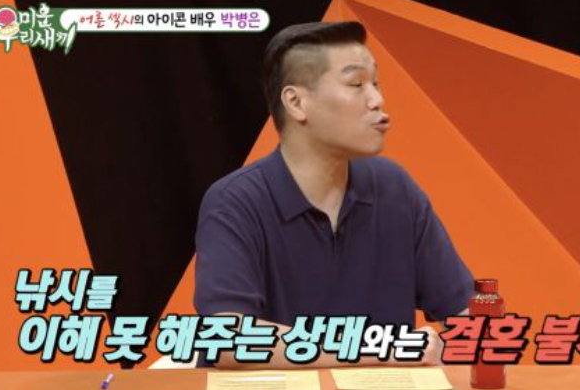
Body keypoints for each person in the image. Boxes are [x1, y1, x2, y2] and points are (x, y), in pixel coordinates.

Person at [194, 21, 474, 369]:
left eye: (376, 83)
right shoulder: (235, 201)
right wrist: (383, 348)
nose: (377, 100)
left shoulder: (395, 188)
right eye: (356, 84)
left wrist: (456, 349)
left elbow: (467, 314)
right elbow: (226, 338)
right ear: (296, 102)